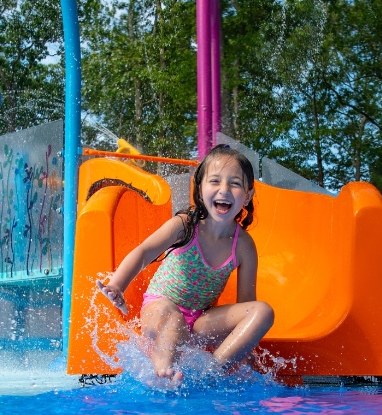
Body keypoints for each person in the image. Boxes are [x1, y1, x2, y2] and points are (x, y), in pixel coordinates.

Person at [96, 145, 275, 384]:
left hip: (201, 321)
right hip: (160, 311)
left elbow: (245, 307)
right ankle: (163, 373)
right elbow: (143, 252)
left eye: (234, 183)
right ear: (200, 190)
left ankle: (211, 372)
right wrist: (117, 285)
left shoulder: (243, 245)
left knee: (263, 311)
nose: (224, 190)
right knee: (173, 318)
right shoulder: (186, 225)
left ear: (248, 195)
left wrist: (244, 345)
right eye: (215, 181)